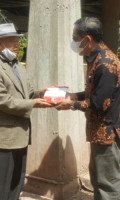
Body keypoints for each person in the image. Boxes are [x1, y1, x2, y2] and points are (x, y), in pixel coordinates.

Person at [0, 23, 52, 200]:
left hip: (20, 133)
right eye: (11, 40)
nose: (16, 44)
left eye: (17, 40)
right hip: (2, 137)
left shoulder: (18, 66)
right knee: (1, 185)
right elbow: (3, 101)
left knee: (16, 181)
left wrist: (40, 93)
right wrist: (33, 103)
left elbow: (26, 92)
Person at [54, 17, 120, 200]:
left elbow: (100, 104)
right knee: (98, 179)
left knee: (108, 185)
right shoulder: (96, 58)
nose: (73, 42)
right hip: (98, 133)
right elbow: (95, 93)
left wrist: (72, 105)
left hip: (107, 133)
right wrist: (75, 96)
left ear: (87, 39)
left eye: (75, 37)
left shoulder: (106, 64)